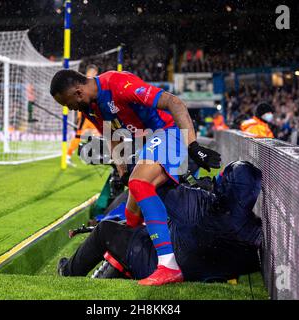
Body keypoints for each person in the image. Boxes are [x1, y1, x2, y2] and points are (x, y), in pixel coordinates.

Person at [50, 69, 221, 285]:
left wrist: (193, 145)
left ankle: (168, 266)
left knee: (139, 183)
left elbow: (173, 102)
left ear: (78, 92)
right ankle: (136, 259)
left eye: (68, 103)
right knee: (131, 215)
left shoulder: (118, 84)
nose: (69, 109)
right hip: (149, 144)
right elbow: (111, 135)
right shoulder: (90, 108)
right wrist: (122, 170)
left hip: (169, 132)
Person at [58, 161, 262, 283]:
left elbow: (145, 184)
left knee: (106, 229)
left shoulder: (198, 202)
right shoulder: (254, 232)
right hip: (203, 273)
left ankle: (67, 272)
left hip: (160, 266)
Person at [66, 65, 100, 166]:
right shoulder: (83, 83)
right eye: (92, 72)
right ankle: (68, 155)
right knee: (79, 135)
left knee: (100, 134)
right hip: (85, 115)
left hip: (93, 114)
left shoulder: (93, 82)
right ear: (89, 72)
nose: (94, 75)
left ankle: (90, 154)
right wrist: (79, 115)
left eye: (95, 73)